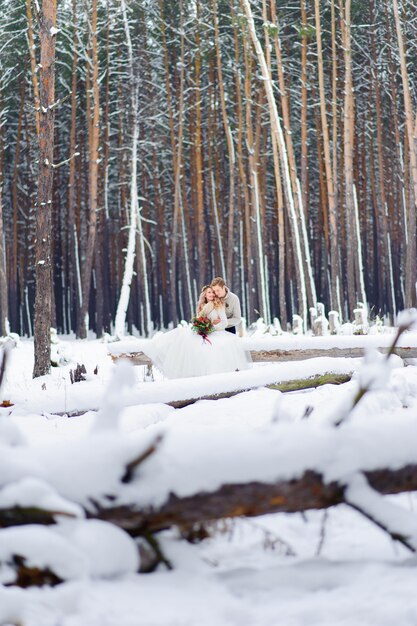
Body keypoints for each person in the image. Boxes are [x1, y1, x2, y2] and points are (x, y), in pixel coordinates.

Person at [144, 285, 250, 379]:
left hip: (215, 332)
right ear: (204, 294)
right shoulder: (201, 306)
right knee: (181, 336)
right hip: (203, 332)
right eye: (209, 292)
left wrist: (211, 326)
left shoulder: (218, 304)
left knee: (212, 349)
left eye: (213, 292)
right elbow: (199, 320)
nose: (212, 294)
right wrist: (200, 326)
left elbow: (223, 322)